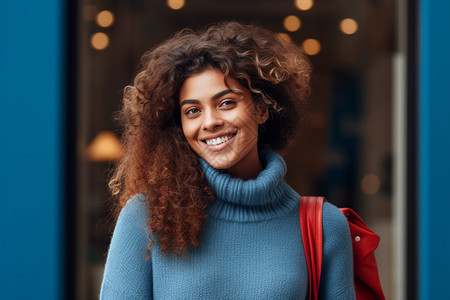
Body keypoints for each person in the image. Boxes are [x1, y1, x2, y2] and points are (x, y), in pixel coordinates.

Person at [100, 21, 356, 299]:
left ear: (261, 109)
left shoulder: (323, 227)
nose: (210, 122)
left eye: (226, 103)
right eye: (193, 111)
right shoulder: (145, 218)